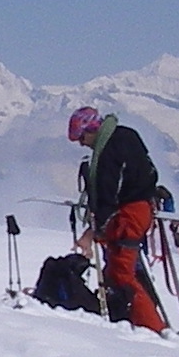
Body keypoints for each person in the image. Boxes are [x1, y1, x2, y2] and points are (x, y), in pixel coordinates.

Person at [67, 105, 168, 334]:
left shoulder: (109, 152)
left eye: (81, 137)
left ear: (92, 129)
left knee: (122, 274)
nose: (81, 143)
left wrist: (92, 232)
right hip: (138, 210)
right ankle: (136, 319)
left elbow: (108, 194)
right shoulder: (126, 136)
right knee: (117, 270)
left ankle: (152, 328)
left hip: (129, 215)